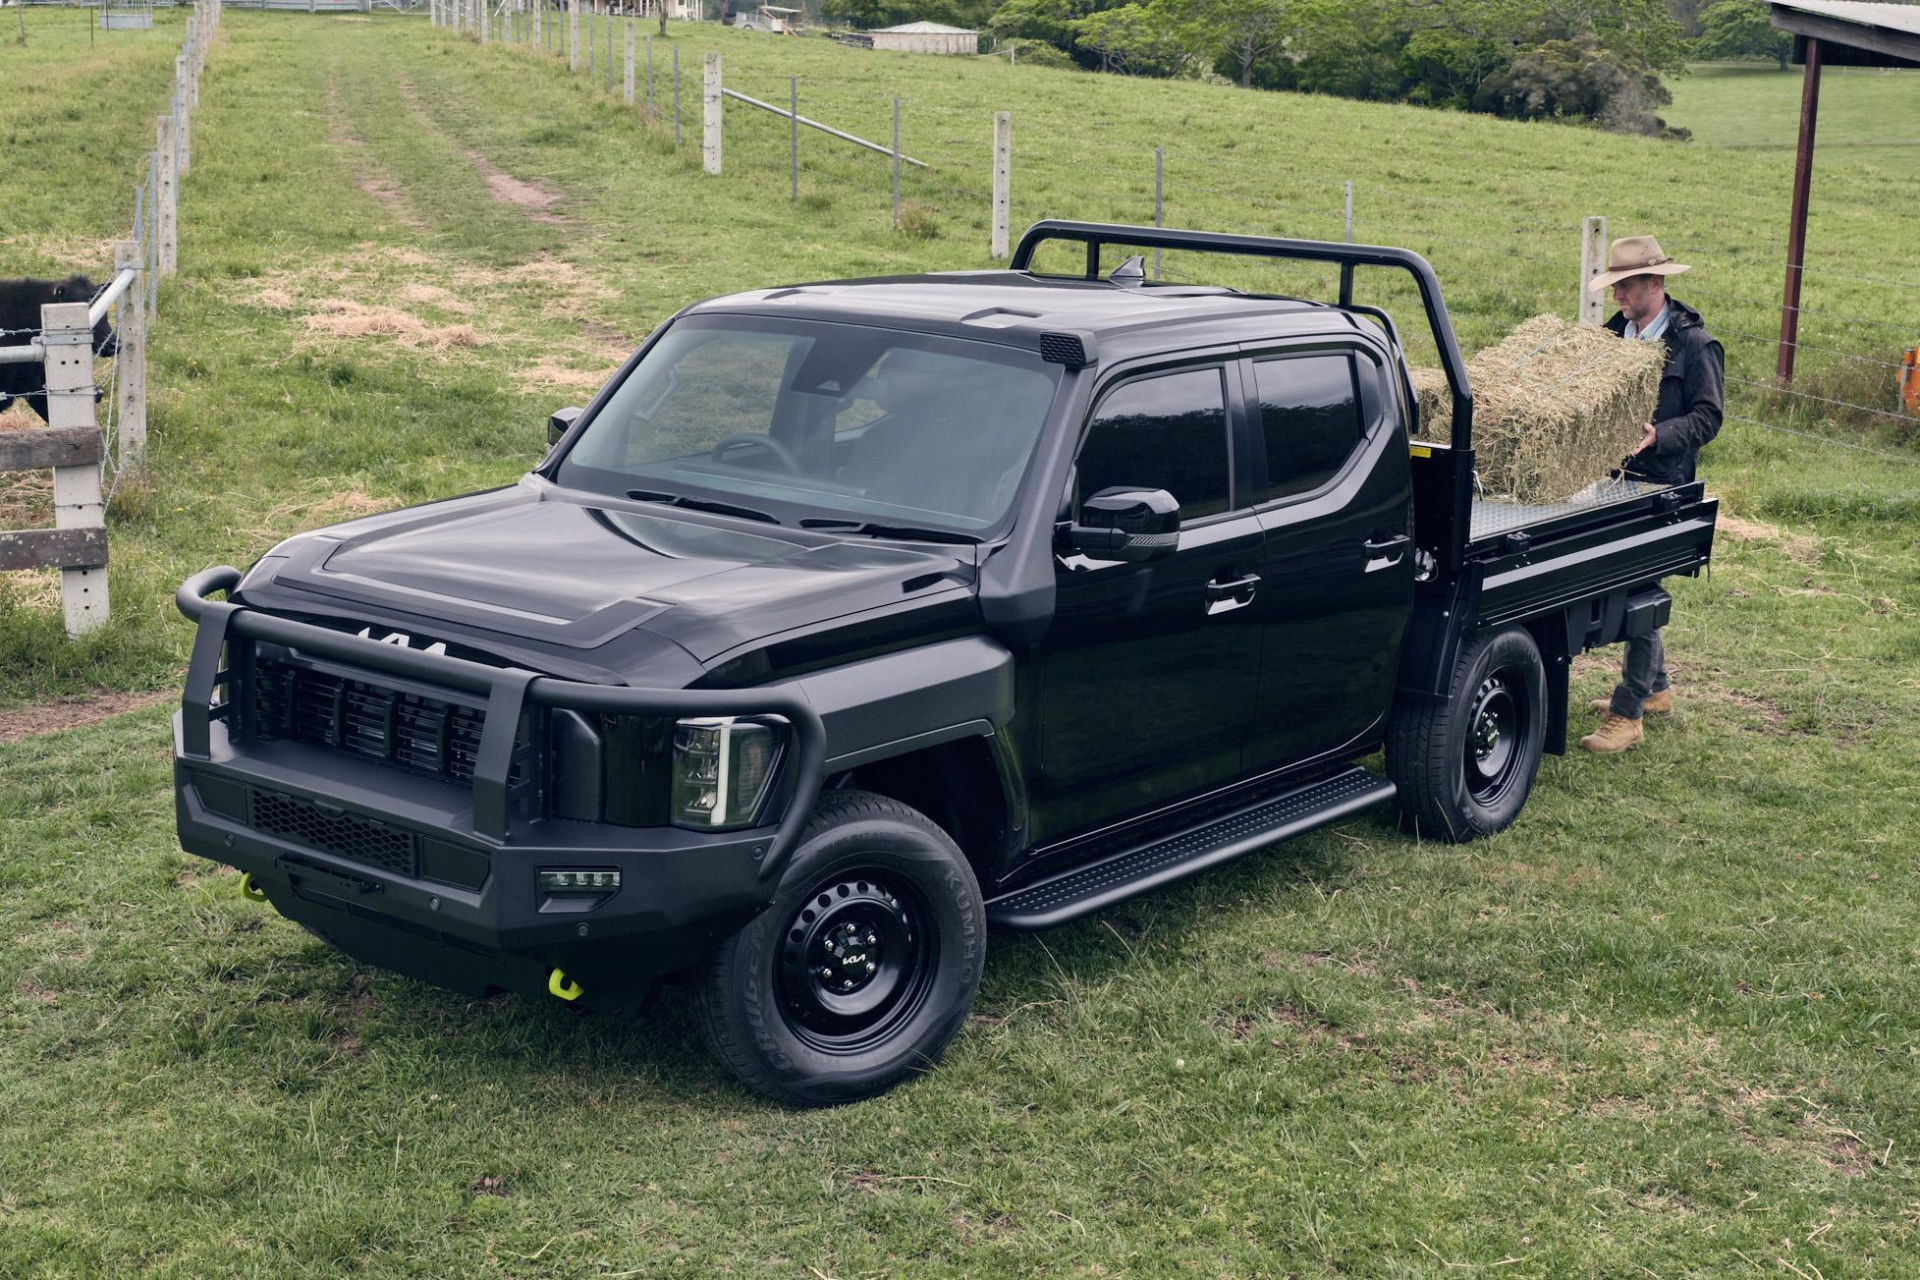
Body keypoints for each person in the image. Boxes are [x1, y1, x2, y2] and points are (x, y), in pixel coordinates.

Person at [1579, 236, 1724, 755]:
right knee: (1629, 577)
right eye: (1613, 284)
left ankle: (1628, 711)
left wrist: (1658, 435)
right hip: (1615, 477)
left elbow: (1709, 418)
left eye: (1625, 285)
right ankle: (1658, 690)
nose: (1617, 294)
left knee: (1635, 586)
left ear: (1655, 284)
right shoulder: (1615, 334)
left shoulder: (1694, 345)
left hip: (1663, 485)